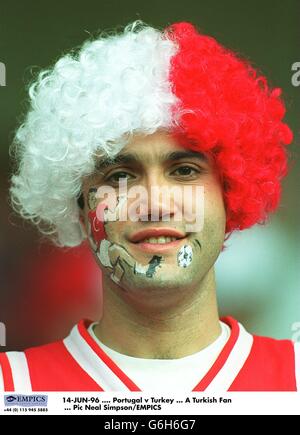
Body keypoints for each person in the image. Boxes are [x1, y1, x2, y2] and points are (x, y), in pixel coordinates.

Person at [1, 20, 298, 392]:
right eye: (120, 176)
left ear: (230, 195)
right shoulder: (14, 391)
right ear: (78, 206)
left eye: (185, 170)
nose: (155, 204)